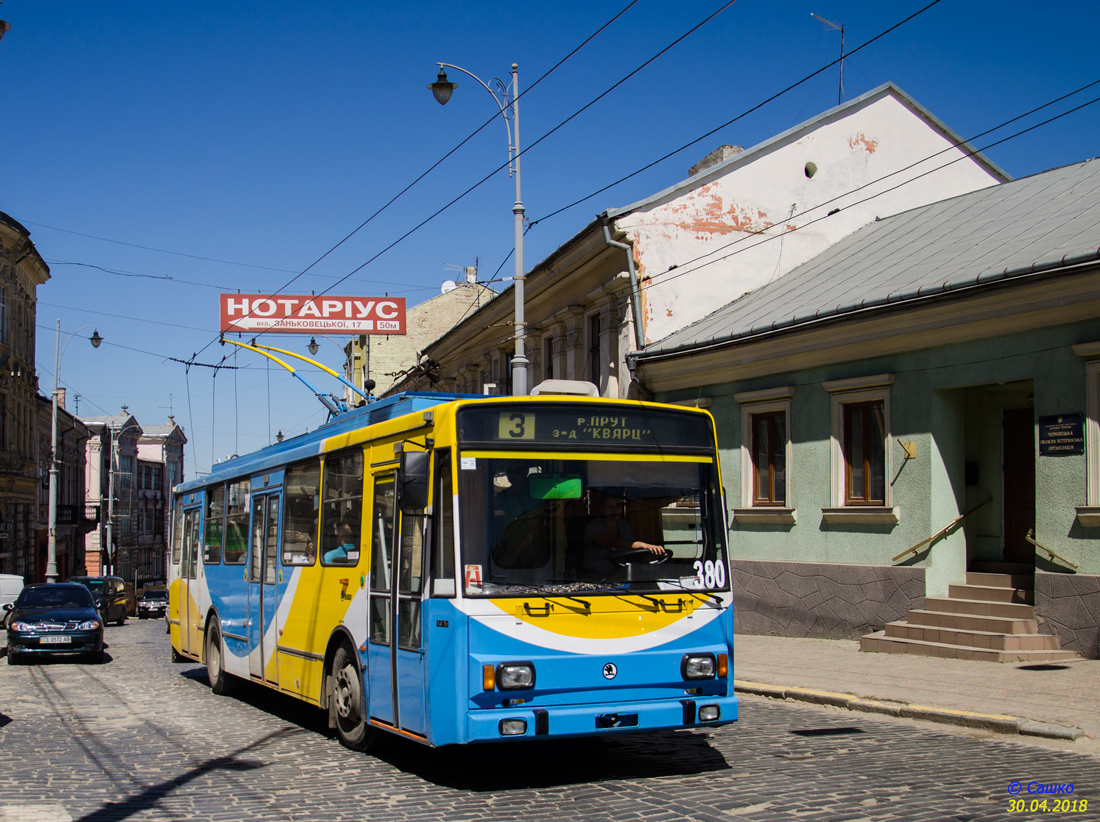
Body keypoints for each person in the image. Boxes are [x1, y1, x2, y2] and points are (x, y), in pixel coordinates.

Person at [581, 493, 667, 576]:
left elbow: (632, 554)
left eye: (618, 505)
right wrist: (642, 545)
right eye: (611, 506)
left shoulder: (625, 525)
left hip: (623, 576)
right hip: (595, 577)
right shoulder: (594, 527)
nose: (615, 510)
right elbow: (612, 541)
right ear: (602, 507)